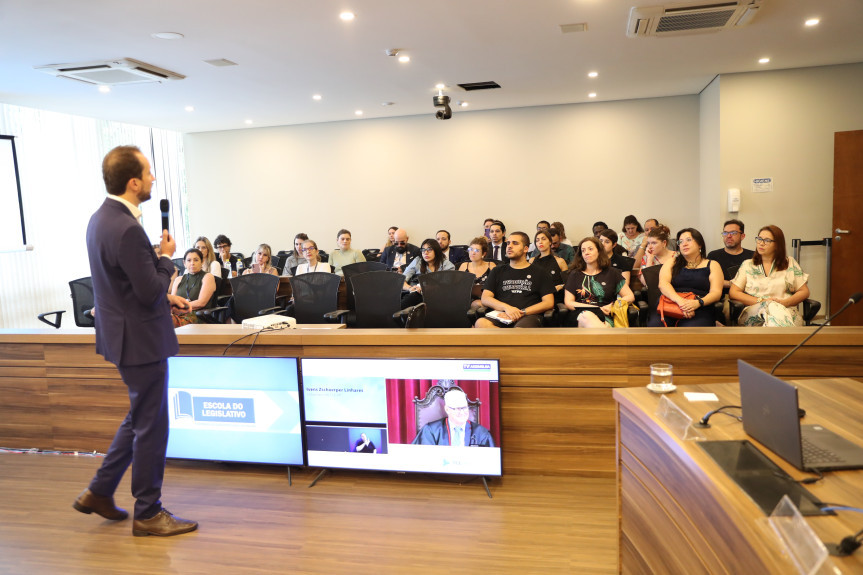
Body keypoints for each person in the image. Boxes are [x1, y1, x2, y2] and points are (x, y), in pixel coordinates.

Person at [75, 145, 197, 537]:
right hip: (140, 340)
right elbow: (146, 290)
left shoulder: (100, 219)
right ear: (133, 182)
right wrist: (166, 259)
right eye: (148, 173)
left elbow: (125, 282)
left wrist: (164, 293)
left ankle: (99, 491)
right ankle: (148, 512)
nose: (153, 179)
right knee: (152, 425)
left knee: (138, 418)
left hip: (122, 335)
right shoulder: (127, 227)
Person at [730, 225, 810, 326]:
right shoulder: (748, 265)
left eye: (767, 240)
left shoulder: (790, 263)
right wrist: (762, 301)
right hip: (755, 312)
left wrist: (785, 303)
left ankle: (772, 339)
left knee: (774, 312)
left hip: (786, 310)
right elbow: (734, 292)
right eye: (759, 239)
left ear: (777, 245)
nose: (761, 243)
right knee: (772, 306)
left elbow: (804, 291)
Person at [476, 231, 555, 328]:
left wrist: (521, 312)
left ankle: (505, 339)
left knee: (519, 331)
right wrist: (507, 308)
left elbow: (548, 302)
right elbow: (485, 298)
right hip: (502, 314)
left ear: (526, 249)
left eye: (515, 243)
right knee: (481, 323)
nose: (509, 246)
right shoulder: (497, 271)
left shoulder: (540, 272)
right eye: (508, 243)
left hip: (528, 316)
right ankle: (510, 340)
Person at [652, 228, 723, 327]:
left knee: (691, 329)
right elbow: (663, 284)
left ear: (700, 244)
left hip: (700, 307)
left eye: (688, 240)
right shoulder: (672, 262)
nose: (684, 244)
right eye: (680, 242)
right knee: (656, 325)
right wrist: (681, 302)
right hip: (671, 303)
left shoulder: (712, 265)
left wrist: (698, 303)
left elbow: (716, 293)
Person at [563, 236, 634, 327]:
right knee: (586, 316)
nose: (586, 253)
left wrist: (612, 306)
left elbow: (630, 296)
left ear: (599, 251)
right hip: (579, 315)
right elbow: (569, 302)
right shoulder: (575, 274)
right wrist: (596, 308)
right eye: (583, 250)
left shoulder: (612, 273)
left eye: (590, 249)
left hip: (605, 315)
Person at [411, 389, 494, 447]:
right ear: (447, 409)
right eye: (457, 408)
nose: (462, 412)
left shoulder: (482, 433)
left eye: (464, 407)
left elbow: (489, 462)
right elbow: (422, 458)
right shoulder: (430, 431)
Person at [169, 248, 217, 327]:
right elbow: (172, 301)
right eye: (189, 260)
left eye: (196, 260)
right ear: (184, 263)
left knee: (166, 321)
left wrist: (180, 307)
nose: (192, 263)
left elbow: (201, 303)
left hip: (197, 315)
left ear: (202, 262)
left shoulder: (208, 277)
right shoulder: (178, 279)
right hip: (177, 314)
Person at [401, 238, 455, 308]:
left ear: (436, 250)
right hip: (416, 293)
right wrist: (410, 288)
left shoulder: (447, 265)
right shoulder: (418, 261)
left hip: (438, 297)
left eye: (429, 249)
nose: (425, 253)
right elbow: (402, 281)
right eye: (423, 250)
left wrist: (426, 289)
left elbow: (447, 287)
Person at [707, 219, 755, 291]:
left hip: (746, 297)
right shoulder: (713, 256)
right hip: (719, 297)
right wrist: (732, 284)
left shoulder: (752, 256)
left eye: (733, 233)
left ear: (742, 236)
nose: (728, 236)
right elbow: (707, 280)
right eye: (725, 233)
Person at [458, 237, 497, 310]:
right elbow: (458, 287)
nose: (473, 253)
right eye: (471, 249)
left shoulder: (491, 265)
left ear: (484, 253)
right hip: (467, 299)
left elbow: (497, 286)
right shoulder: (464, 266)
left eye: (477, 250)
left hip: (487, 299)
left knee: (477, 304)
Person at [528, 230, 567, 295]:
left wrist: (561, 286)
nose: (540, 242)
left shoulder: (560, 261)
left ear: (550, 242)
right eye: (537, 240)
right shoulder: (531, 260)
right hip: (536, 297)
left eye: (543, 239)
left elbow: (568, 283)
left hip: (555, 297)